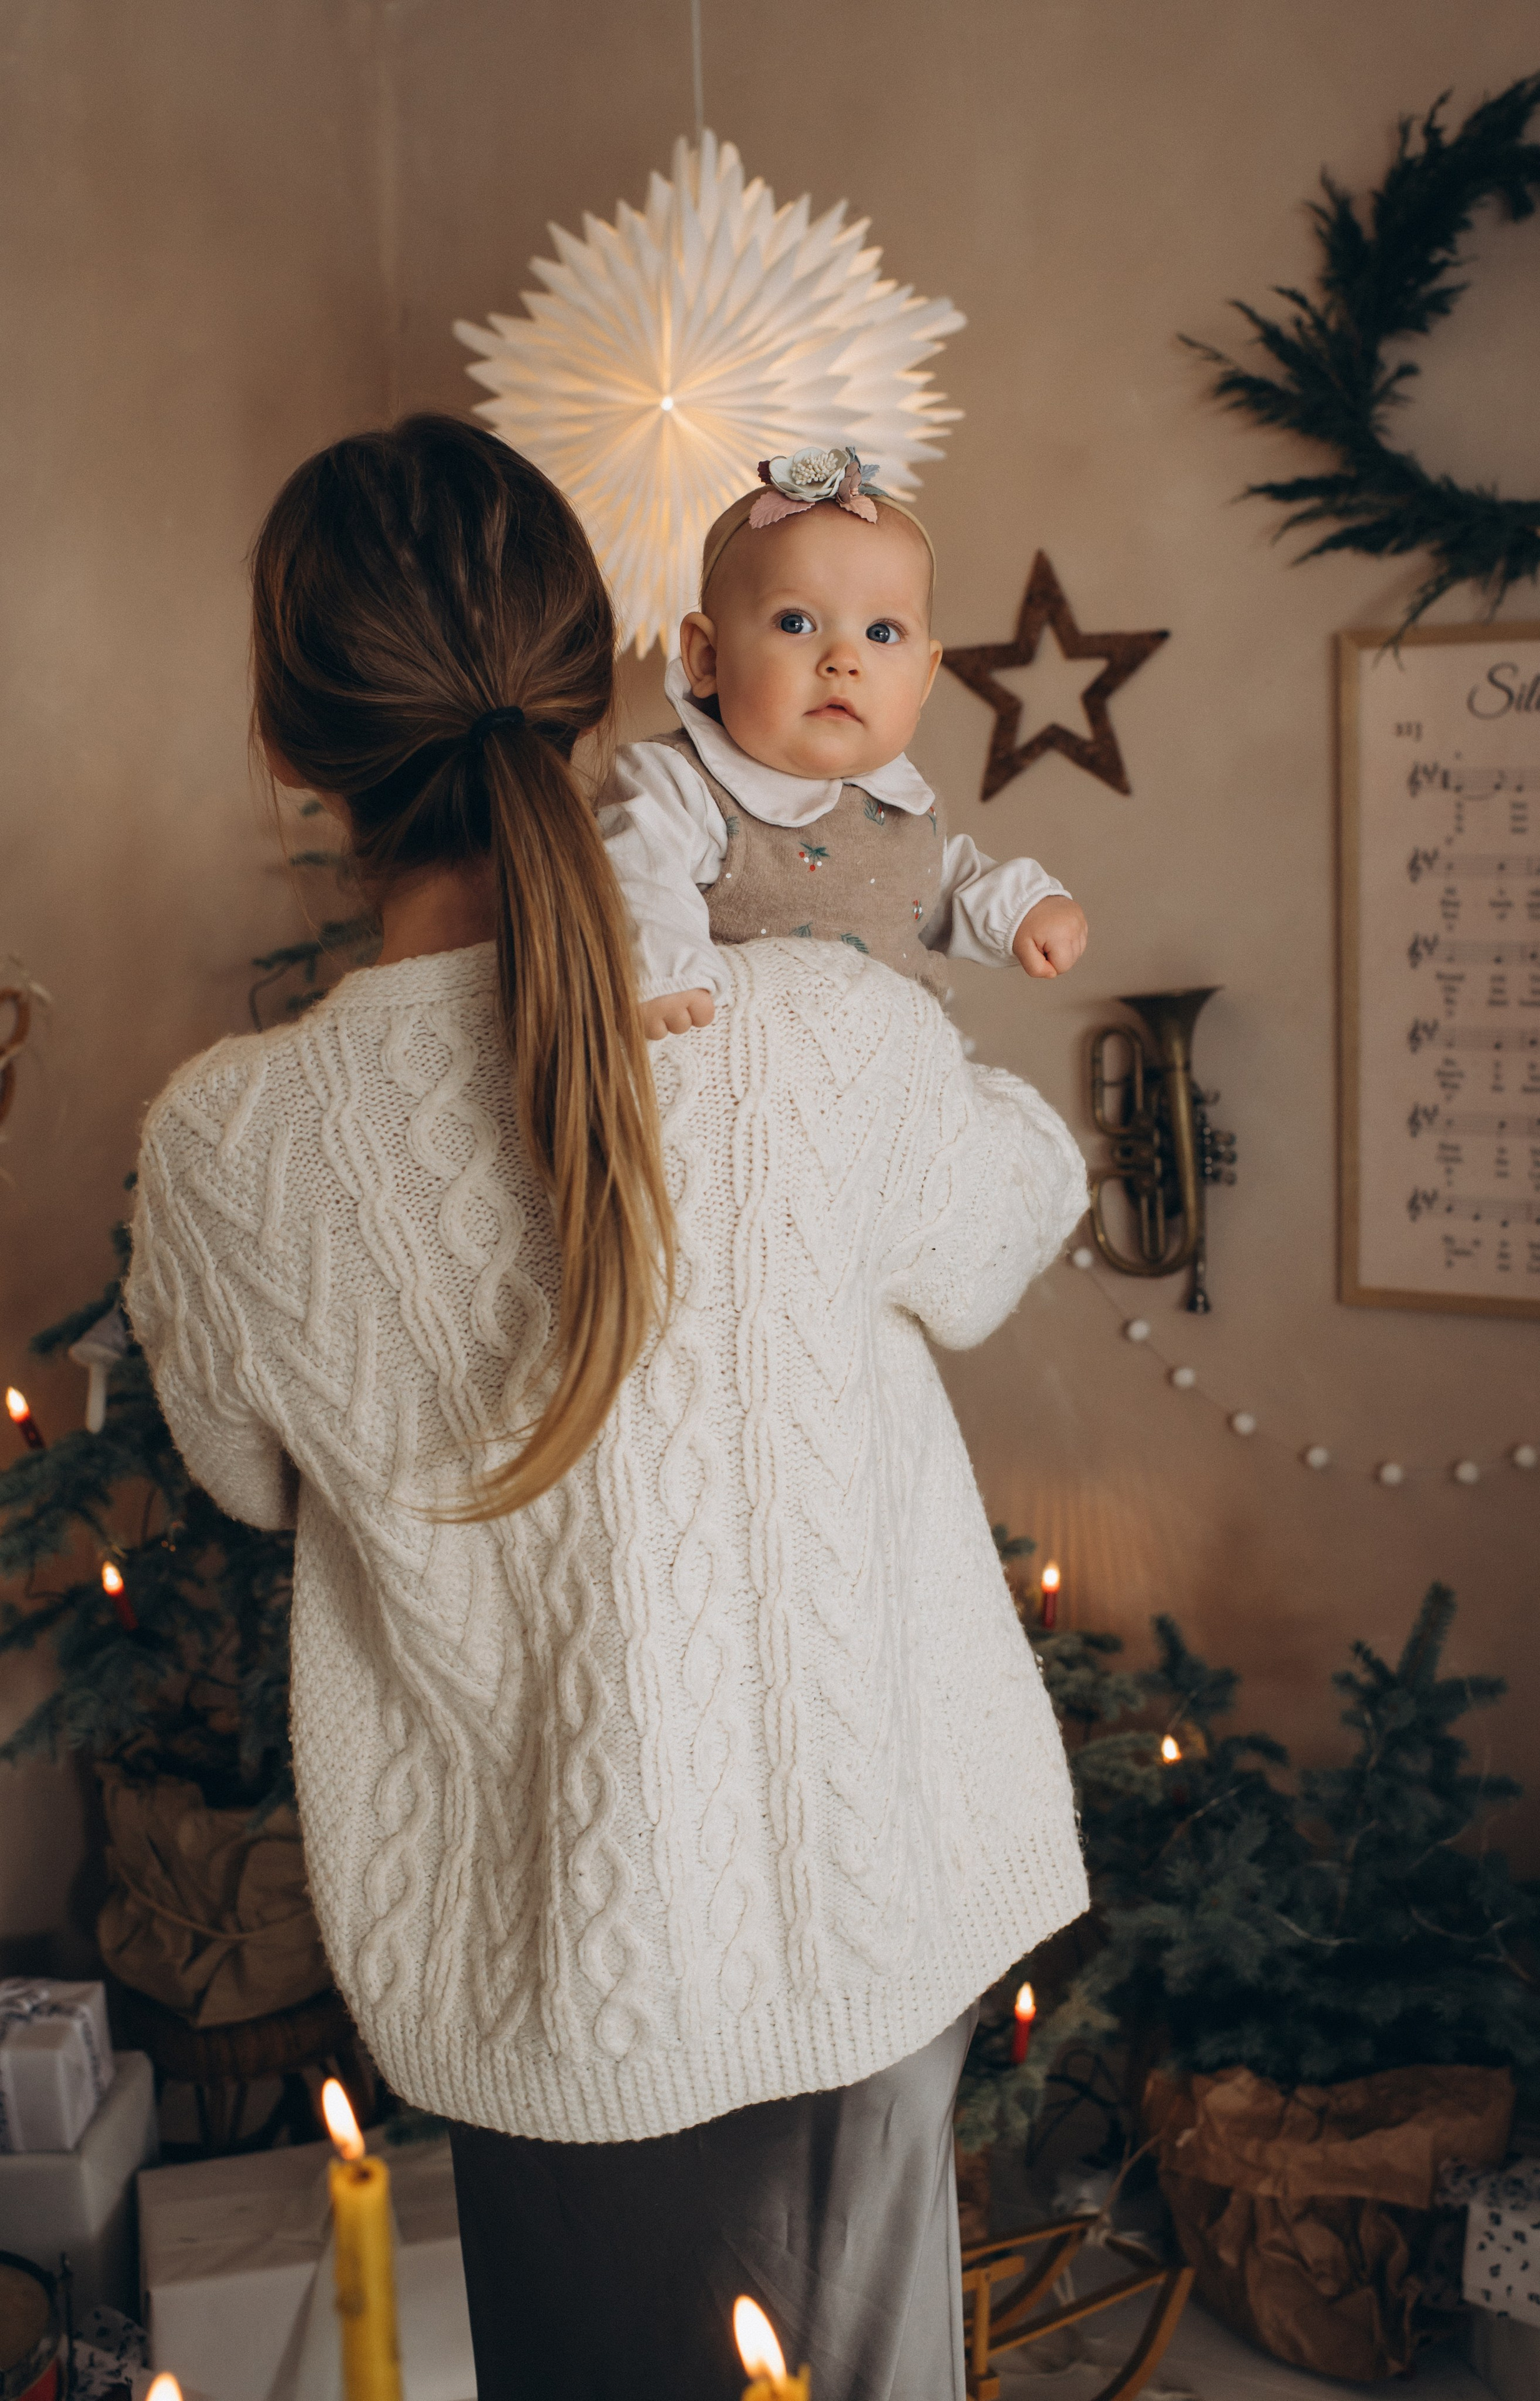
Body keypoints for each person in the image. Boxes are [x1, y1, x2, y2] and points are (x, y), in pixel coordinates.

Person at [124, 414, 1090, 2401]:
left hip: (548, 1960)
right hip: (852, 1918)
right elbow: (1016, 1215)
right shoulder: (822, 1026)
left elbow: (238, 1472)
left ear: (291, 743)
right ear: (611, 679)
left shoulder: (229, 1138)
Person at [598, 442, 1088, 1038]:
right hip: (747, 1065)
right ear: (708, 655)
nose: (843, 660)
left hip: (896, 1076)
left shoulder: (903, 805)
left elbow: (940, 881)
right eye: (795, 623)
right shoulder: (678, 787)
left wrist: (1020, 909)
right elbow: (633, 872)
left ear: (926, 677)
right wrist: (661, 972)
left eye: (882, 632)